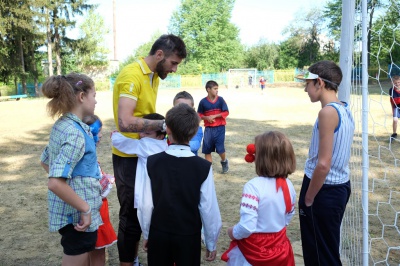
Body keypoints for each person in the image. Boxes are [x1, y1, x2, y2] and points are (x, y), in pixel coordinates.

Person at [111, 34, 186, 266]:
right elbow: (124, 121)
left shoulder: (153, 76)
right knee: (130, 216)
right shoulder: (132, 75)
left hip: (147, 155)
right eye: (173, 63)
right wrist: (164, 126)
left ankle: (134, 259)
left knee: (148, 209)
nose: (174, 69)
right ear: (160, 54)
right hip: (129, 157)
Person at [142, 103, 222, 266]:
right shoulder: (202, 167)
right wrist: (211, 242)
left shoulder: (152, 162)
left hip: (159, 234)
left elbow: (145, 204)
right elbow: (209, 209)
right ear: (193, 133)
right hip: (188, 236)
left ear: (167, 129)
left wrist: (147, 233)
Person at [296, 60, 355, 265]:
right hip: (338, 187)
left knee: (319, 255)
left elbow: (323, 164)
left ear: (319, 83)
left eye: (308, 84)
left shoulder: (327, 112)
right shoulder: (344, 108)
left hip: (324, 190)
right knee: (327, 249)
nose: (305, 89)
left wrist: (309, 198)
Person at [39, 73, 102, 265]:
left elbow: (45, 161)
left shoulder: (62, 125)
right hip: (77, 217)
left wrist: (73, 181)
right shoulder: (75, 133)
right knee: (77, 254)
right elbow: (55, 182)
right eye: (94, 95)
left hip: (72, 213)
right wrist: (84, 208)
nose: (96, 101)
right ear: (81, 97)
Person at [221, 131, 297, 265]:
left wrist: (233, 232)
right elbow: (288, 215)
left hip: (253, 252)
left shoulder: (253, 186)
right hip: (279, 250)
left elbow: (247, 226)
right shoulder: (288, 185)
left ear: (260, 158)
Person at [110, 113, 168, 230]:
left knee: (146, 216)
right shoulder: (165, 145)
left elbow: (124, 144)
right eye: (140, 130)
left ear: (160, 136)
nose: (141, 135)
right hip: (163, 192)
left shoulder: (146, 146)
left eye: (146, 133)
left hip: (148, 192)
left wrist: (115, 135)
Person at [82, 115, 118, 266]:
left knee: (88, 250)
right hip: (95, 211)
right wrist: (107, 182)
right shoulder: (87, 158)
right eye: (98, 132)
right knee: (97, 252)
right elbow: (96, 187)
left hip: (90, 210)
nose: (101, 135)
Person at [197, 80, 230, 173]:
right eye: (215, 89)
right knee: (207, 150)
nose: (217, 91)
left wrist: (214, 116)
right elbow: (199, 114)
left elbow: (226, 112)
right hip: (208, 129)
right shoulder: (203, 102)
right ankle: (209, 170)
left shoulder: (220, 100)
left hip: (220, 128)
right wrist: (206, 118)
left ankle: (224, 161)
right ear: (208, 89)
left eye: (217, 89)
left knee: (220, 149)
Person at [173, 91, 203, 155]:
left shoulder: (197, 128)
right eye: (179, 108)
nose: (182, 112)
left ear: (193, 110)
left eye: (187, 109)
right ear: (172, 109)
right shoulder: (168, 127)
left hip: (190, 163)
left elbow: (195, 146)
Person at [389, 75, 400, 140]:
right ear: (392, 83)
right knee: (395, 120)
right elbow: (392, 100)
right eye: (395, 83)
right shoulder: (391, 90)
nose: (397, 84)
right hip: (396, 107)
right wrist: (392, 108)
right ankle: (394, 133)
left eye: (399, 82)